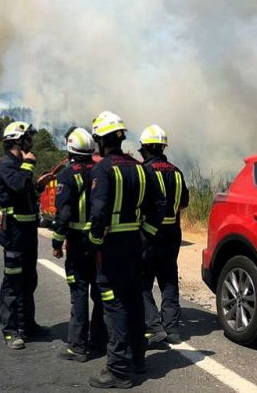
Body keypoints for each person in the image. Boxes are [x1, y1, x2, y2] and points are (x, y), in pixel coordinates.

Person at [86, 111, 166, 389]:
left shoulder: (103, 169)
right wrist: (148, 236)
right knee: (134, 302)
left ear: (101, 140)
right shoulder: (142, 168)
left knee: (114, 307)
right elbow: (160, 205)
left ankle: (118, 370)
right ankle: (138, 361)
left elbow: (98, 214)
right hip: (137, 246)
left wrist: (94, 243)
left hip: (111, 251)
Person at [52, 127, 107, 362]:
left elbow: (63, 213)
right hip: (98, 242)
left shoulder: (66, 174)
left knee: (79, 292)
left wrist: (57, 241)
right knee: (99, 292)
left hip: (76, 243)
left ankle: (77, 346)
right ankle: (98, 340)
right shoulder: (99, 170)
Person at [0, 121, 47, 349]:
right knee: (13, 282)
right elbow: (16, 186)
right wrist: (29, 166)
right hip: (14, 232)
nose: (31, 142)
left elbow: (26, 191)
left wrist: (39, 186)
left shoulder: (20, 166)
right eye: (28, 138)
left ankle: (27, 324)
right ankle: (11, 331)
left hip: (28, 231)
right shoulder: (6, 166)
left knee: (29, 279)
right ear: (17, 141)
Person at [138, 125, 190, 346]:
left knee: (142, 282)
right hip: (173, 235)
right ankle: (172, 329)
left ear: (147, 148)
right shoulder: (176, 172)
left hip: (150, 235)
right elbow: (184, 202)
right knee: (168, 280)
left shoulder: (145, 172)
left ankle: (153, 326)